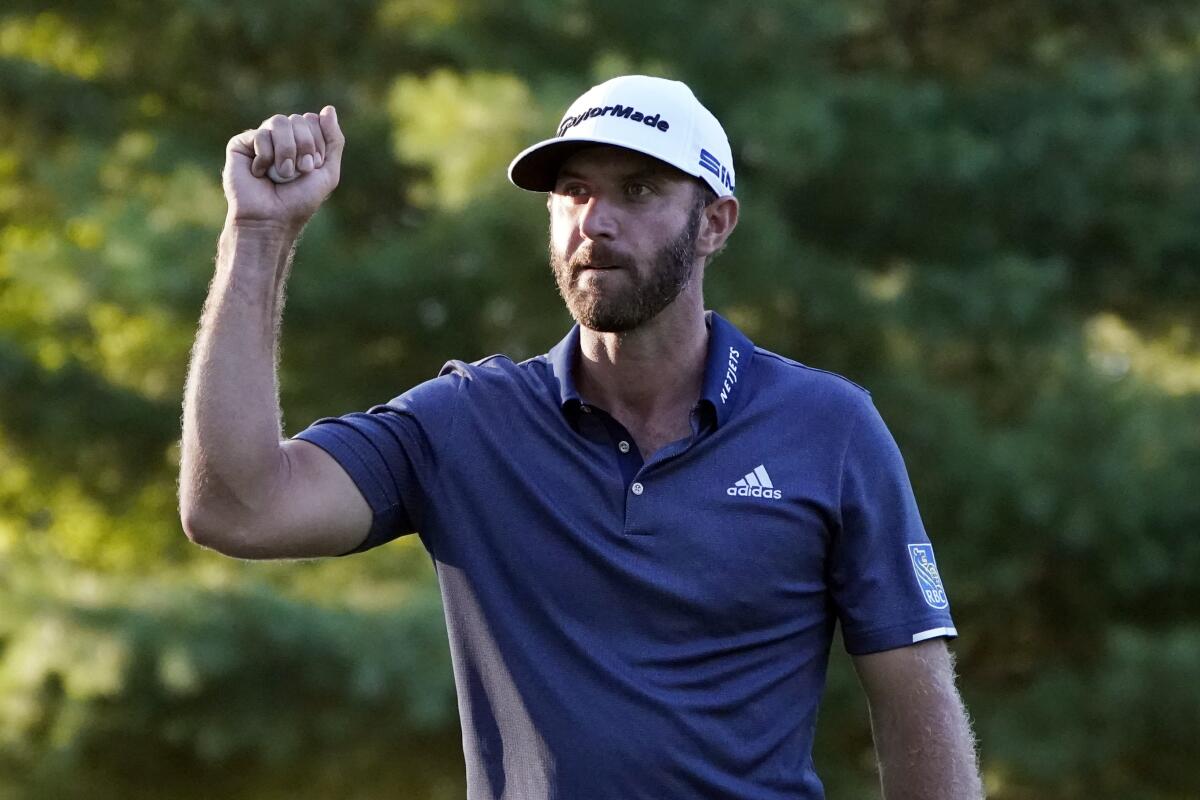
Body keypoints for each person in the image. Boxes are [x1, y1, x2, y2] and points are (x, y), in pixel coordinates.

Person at [180, 75, 983, 799]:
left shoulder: (828, 426)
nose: (595, 221)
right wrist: (258, 235)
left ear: (714, 222)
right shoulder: (464, 420)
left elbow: (915, 696)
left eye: (638, 190)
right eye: (573, 191)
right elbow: (236, 509)